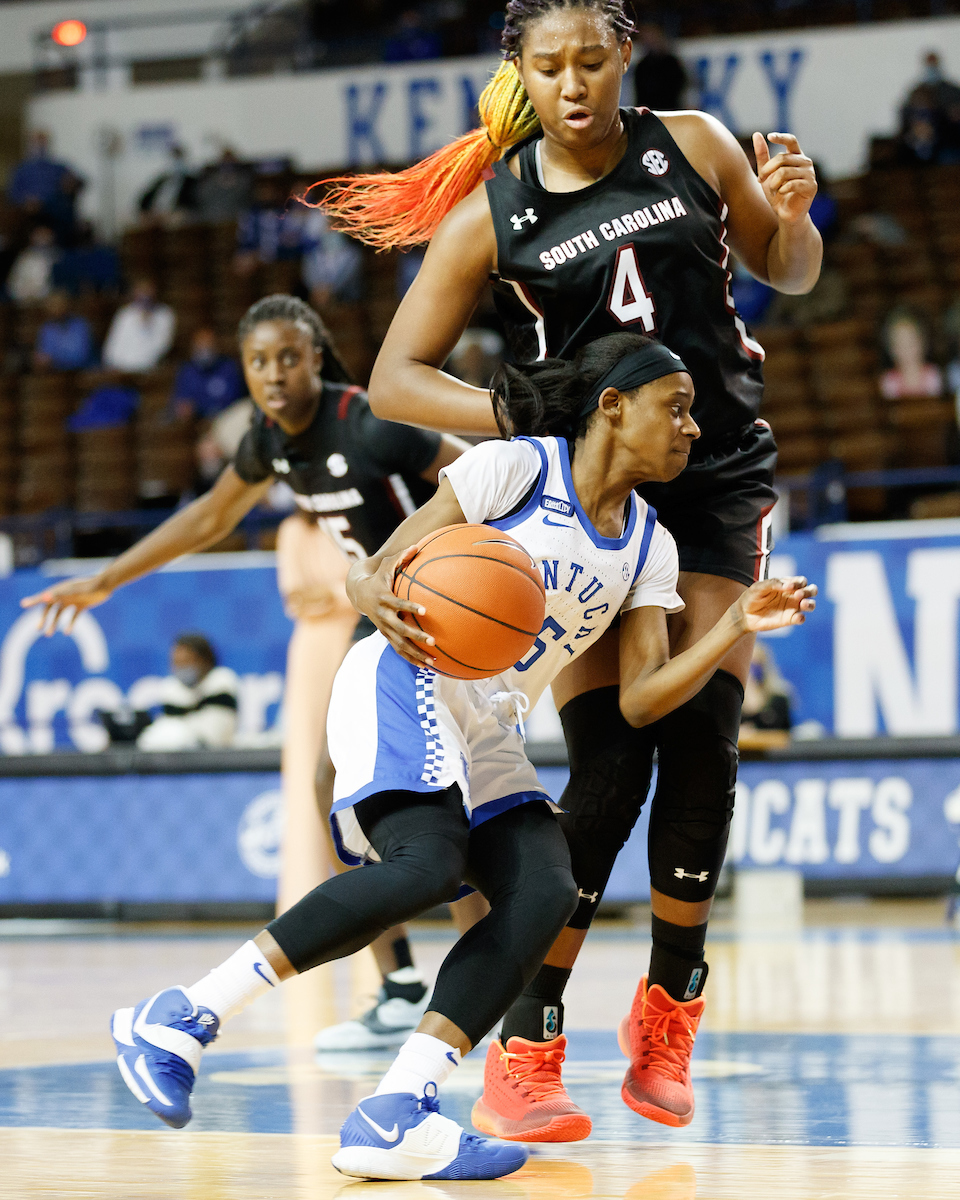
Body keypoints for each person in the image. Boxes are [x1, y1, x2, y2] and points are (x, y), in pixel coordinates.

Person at [102, 332, 815, 1180]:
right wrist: (374, 583)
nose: (694, 430)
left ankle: (400, 1106)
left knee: (546, 886)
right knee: (426, 867)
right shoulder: (518, 470)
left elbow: (639, 700)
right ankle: (181, 1014)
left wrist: (735, 626)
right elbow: (382, 569)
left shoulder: (648, 546)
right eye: (679, 408)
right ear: (613, 407)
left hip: (491, 721)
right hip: (409, 674)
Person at [315, 0, 822, 1138]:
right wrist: (511, 412)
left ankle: (669, 1008)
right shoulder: (495, 214)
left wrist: (792, 219)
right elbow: (398, 379)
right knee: (609, 770)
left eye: (594, 59)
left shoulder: (693, 142)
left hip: (718, 474)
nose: (576, 82)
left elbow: (787, 271)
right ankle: (530, 1042)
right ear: (521, 74)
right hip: (596, 497)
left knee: (703, 740)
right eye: (551, 66)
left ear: (625, 57)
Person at [22, 293, 475, 1052]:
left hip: (443, 606)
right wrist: (107, 579)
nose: (273, 373)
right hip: (384, 613)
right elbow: (206, 517)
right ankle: (399, 984)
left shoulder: (369, 421)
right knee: (334, 787)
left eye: (288, 357)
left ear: (316, 356)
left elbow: (483, 477)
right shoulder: (271, 439)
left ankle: (477, 986)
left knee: (445, 795)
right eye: (258, 362)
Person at [137, 633, 239, 751]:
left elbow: (214, 735)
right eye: (176, 662)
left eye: (186, 662)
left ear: (204, 660)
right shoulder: (170, 687)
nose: (180, 667)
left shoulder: (222, 681)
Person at [170, 327, 246, 421]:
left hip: (225, 422)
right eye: (200, 345)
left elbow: (234, 403)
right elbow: (181, 404)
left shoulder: (229, 368)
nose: (204, 349)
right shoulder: (187, 371)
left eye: (208, 345)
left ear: (216, 346)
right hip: (194, 424)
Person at [102, 278, 175, 373]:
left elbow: (162, 347)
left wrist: (147, 324)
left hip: (146, 371)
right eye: (141, 291)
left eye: (147, 291)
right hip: (118, 369)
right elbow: (112, 344)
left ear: (154, 292)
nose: (144, 295)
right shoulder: (125, 313)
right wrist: (111, 365)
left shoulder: (165, 314)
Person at [879, 307, 942, 400]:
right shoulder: (889, 381)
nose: (906, 350)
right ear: (892, 349)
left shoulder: (932, 375)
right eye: (900, 345)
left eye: (911, 343)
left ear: (921, 343)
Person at [34, 289, 96, 371]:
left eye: (59, 304)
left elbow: (82, 356)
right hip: (55, 373)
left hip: (81, 372)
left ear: (67, 305)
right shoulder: (47, 328)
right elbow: (43, 355)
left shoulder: (80, 325)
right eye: (52, 305)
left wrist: (55, 359)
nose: (56, 309)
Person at [632, 23, 687, 111]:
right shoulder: (642, 65)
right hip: (649, 114)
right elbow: (639, 94)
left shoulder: (672, 62)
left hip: (671, 111)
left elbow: (681, 86)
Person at [138, 145, 197, 222]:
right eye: (173, 158)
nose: (175, 162)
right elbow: (144, 201)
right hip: (155, 219)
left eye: (178, 158)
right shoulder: (162, 180)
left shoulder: (190, 182)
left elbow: (192, 205)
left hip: (175, 219)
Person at [7, 225, 59, 303]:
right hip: (23, 300)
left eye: (45, 235)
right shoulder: (24, 258)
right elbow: (13, 283)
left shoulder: (57, 256)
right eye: (40, 234)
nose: (42, 238)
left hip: (47, 300)